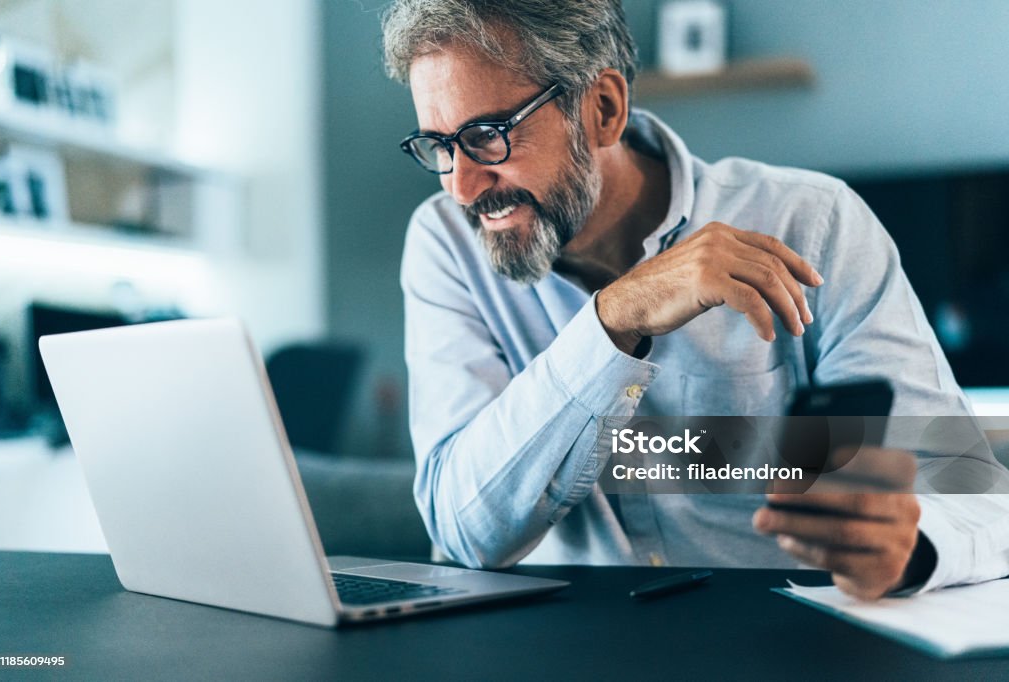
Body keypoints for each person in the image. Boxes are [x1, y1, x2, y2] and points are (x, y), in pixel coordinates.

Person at [382, 0, 1009, 600]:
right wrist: (614, 318)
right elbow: (464, 534)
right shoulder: (446, 246)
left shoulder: (813, 223)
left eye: (488, 136)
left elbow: (969, 487)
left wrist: (909, 549)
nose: (461, 188)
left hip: (787, 641)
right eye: (439, 146)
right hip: (567, 649)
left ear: (602, 108)